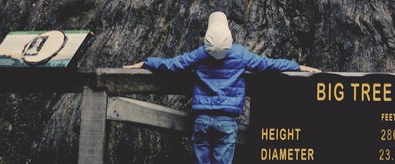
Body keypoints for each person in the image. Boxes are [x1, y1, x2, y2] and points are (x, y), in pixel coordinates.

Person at [125, 11, 319, 164]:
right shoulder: (240, 54)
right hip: (227, 121)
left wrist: (146, 63)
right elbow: (269, 65)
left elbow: (173, 64)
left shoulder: (200, 54)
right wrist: (297, 66)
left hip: (201, 120)